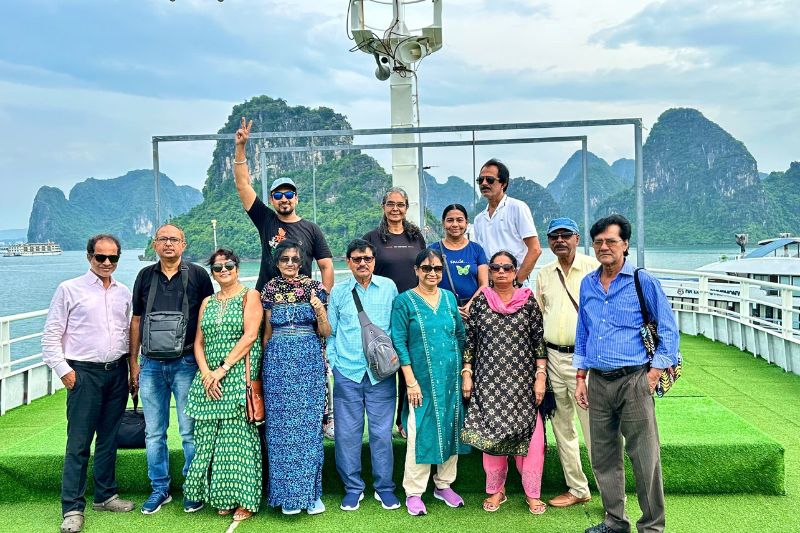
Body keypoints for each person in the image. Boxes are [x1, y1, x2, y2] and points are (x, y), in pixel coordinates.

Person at [574, 214, 680, 533]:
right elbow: (583, 331)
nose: (604, 247)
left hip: (634, 379)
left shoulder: (641, 281)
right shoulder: (588, 284)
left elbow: (669, 329)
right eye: (598, 242)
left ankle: (652, 526)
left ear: (625, 244)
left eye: (611, 241)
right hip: (598, 381)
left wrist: (653, 374)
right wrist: (580, 377)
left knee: (645, 456)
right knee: (603, 455)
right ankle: (615, 521)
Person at [43, 234, 135, 533]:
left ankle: (106, 495)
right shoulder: (69, 289)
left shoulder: (123, 292)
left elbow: (126, 332)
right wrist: (64, 371)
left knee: (109, 438)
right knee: (79, 443)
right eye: (100, 257)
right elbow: (51, 335)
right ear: (89, 257)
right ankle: (72, 507)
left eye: (113, 257)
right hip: (83, 373)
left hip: (117, 371)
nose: (107, 262)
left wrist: (130, 369)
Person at [129, 224, 214, 515]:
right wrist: (133, 362)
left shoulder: (198, 275)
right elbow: (136, 320)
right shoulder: (145, 276)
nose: (168, 244)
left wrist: (206, 363)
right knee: (154, 432)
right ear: (155, 244)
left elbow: (207, 317)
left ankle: (193, 487)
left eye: (174, 239)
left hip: (186, 362)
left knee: (189, 430)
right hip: (151, 364)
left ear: (183, 244)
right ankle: (159, 488)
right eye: (163, 239)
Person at [461, 250, 551, 515]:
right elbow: (471, 340)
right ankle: (496, 490)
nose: (501, 272)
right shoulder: (481, 301)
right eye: (496, 267)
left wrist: (541, 376)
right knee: (492, 436)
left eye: (507, 267)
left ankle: (532, 493)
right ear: (490, 271)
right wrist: (467, 372)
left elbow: (538, 341)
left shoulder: (528, 301)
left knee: (533, 439)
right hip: (489, 383)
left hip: (523, 383)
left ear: (515, 271)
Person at [183, 249, 263, 522]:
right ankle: (224, 497)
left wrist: (223, 369)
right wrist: (207, 373)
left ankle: (246, 499)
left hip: (236, 375)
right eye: (218, 268)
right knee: (211, 440)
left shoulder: (250, 296)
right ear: (213, 274)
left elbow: (250, 336)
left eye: (228, 265)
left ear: (237, 268)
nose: (224, 270)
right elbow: (198, 342)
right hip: (209, 380)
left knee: (238, 440)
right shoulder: (207, 302)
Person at [391, 248, 470, 516]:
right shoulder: (404, 301)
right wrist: (410, 382)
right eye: (426, 268)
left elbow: (459, 335)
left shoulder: (448, 298)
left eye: (437, 269)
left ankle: (443, 485)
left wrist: (463, 371)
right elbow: (399, 341)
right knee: (419, 433)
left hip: (450, 380)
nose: (432, 273)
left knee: (451, 428)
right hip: (420, 382)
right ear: (416, 270)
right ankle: (414, 492)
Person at [327, 239, 400, 512]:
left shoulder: (389, 288)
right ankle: (353, 488)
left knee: (381, 434)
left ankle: (384, 488)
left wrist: (393, 359)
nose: (362, 263)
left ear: (374, 260)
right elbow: (331, 333)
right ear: (348, 261)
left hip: (381, 374)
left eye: (367, 258)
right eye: (357, 259)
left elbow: (396, 327)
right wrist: (335, 364)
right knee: (347, 435)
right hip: (348, 371)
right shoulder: (339, 292)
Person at [261, 239, 330, 515]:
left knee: (308, 428)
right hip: (277, 364)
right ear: (277, 263)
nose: (290, 263)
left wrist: (319, 310)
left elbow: (325, 332)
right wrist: (263, 367)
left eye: (294, 259)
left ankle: (311, 495)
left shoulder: (315, 288)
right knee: (280, 430)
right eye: (284, 259)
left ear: (302, 262)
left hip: (308, 361)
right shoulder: (269, 289)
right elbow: (267, 333)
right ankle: (286, 496)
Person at [535, 217, 599, 508]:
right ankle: (577, 488)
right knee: (562, 428)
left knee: (594, 428)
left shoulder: (594, 269)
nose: (560, 240)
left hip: (584, 360)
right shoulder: (544, 274)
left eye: (566, 235)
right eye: (554, 236)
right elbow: (540, 315)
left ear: (576, 238)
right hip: (553, 358)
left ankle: (612, 493)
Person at [232, 116, 334, 293]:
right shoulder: (265, 220)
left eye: (289, 194)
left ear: (296, 198)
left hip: (301, 301)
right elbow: (243, 186)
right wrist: (241, 147)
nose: (284, 199)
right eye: (278, 195)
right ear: (272, 200)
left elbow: (326, 265)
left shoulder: (311, 229)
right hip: (267, 299)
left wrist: (324, 297)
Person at [362, 187, 426, 438]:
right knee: (386, 362)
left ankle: (405, 419)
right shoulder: (373, 238)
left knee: (410, 364)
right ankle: (383, 422)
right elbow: (364, 271)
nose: (395, 209)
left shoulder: (415, 236)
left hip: (412, 308)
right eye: (391, 204)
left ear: (406, 207)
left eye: (400, 204)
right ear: (383, 206)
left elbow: (424, 269)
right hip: (383, 310)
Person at [473, 158, 542, 285]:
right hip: (491, 284)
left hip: (515, 282)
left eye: (490, 180)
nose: (484, 183)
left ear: (503, 183)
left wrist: (517, 283)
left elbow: (535, 249)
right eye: (480, 180)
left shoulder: (517, 208)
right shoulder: (479, 219)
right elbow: (479, 257)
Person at [429, 204, 489, 319]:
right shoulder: (433, 250)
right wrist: (449, 308)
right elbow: (427, 284)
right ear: (443, 223)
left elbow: (484, 284)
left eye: (459, 220)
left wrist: (469, 306)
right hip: (442, 311)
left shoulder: (477, 250)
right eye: (450, 220)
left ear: (466, 222)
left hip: (472, 312)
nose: (455, 224)